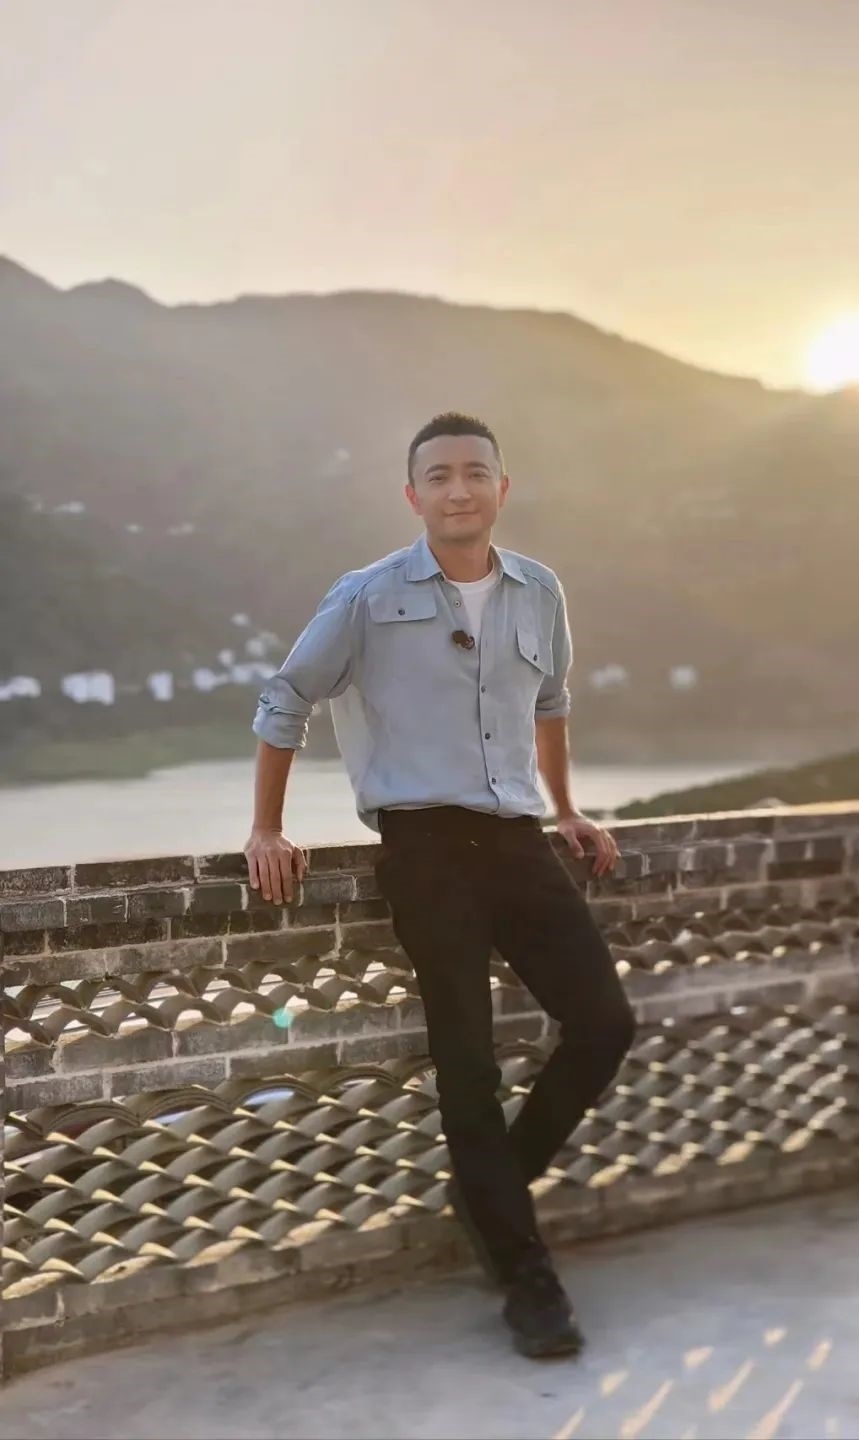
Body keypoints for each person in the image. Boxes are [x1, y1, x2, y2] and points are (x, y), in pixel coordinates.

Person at [245, 412, 636, 1358]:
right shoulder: (366, 596)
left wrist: (567, 809)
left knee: (604, 1024)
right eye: (439, 475)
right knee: (469, 1067)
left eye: (474, 472)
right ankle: (526, 1278)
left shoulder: (539, 591)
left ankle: (487, 1193)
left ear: (503, 486)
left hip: (518, 841)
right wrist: (266, 827)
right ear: (412, 494)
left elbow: (551, 705)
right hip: (424, 851)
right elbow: (286, 697)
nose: (458, 489)